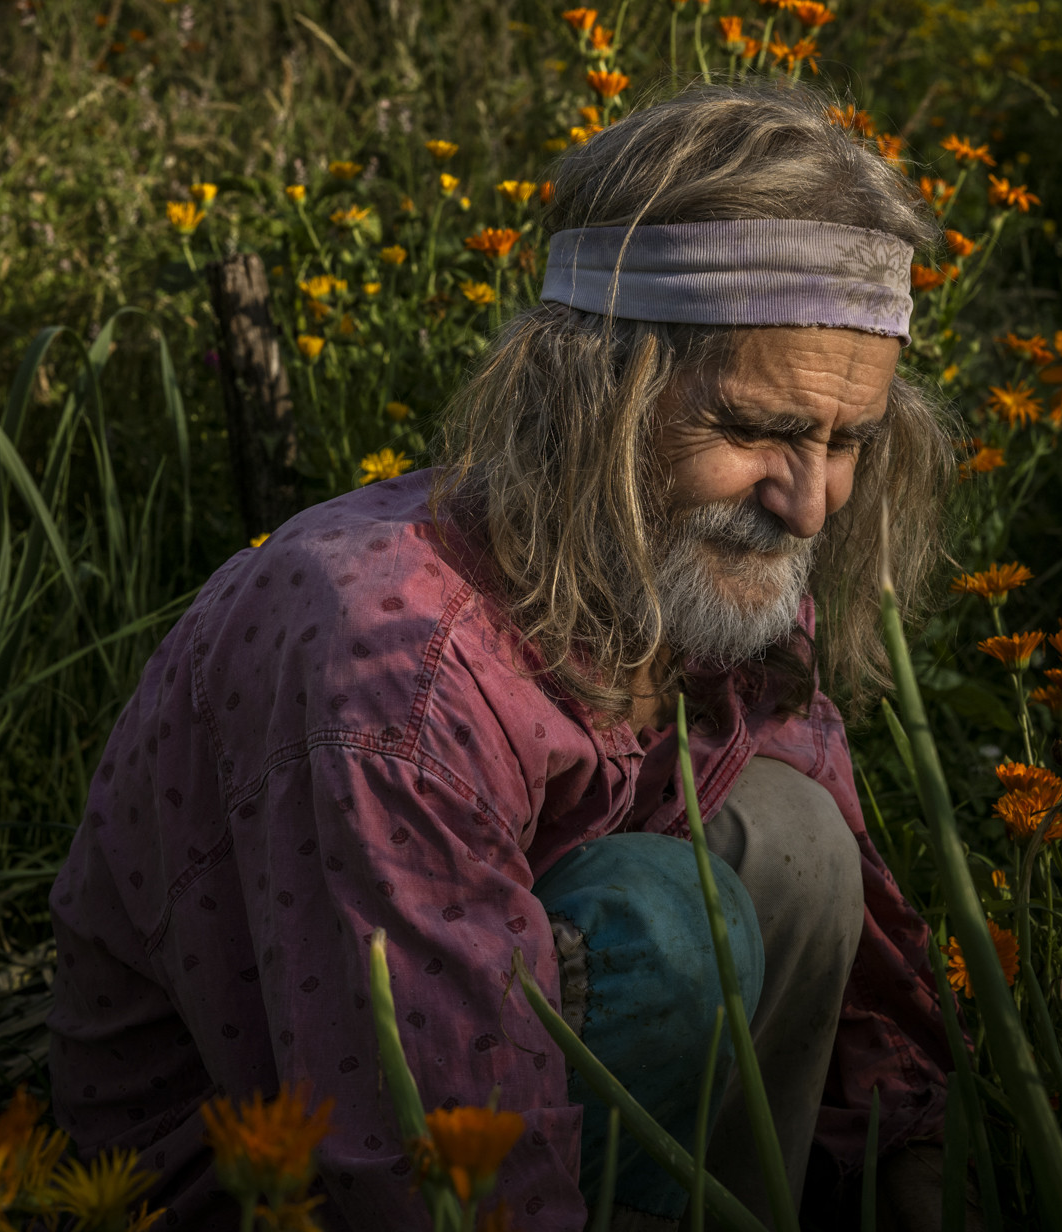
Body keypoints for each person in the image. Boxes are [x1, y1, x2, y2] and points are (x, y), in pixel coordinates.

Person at [48, 81, 973, 1230]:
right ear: (590, 395)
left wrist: (912, 1158)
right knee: (664, 922)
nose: (810, 504)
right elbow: (408, 1128)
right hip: (259, 1170)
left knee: (795, 836)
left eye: (847, 442)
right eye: (755, 428)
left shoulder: (711, 566)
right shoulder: (393, 657)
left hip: (508, 1055)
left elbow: (868, 945)